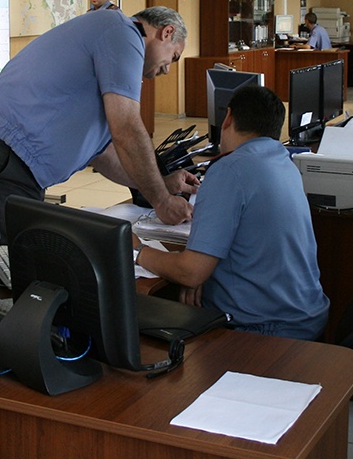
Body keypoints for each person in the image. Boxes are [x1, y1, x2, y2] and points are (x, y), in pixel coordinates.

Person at [0, 6, 196, 228]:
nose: (167, 69)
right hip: (2, 159)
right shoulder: (124, 33)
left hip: (3, 160)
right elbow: (127, 127)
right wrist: (162, 201)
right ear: (166, 32)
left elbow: (103, 154)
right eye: (173, 58)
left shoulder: (110, 35)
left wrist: (160, 184)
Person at [136, 85, 330, 340]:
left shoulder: (230, 170)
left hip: (266, 331)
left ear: (228, 118)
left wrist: (139, 251)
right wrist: (207, 272)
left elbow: (190, 272)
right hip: (303, 318)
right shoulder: (283, 162)